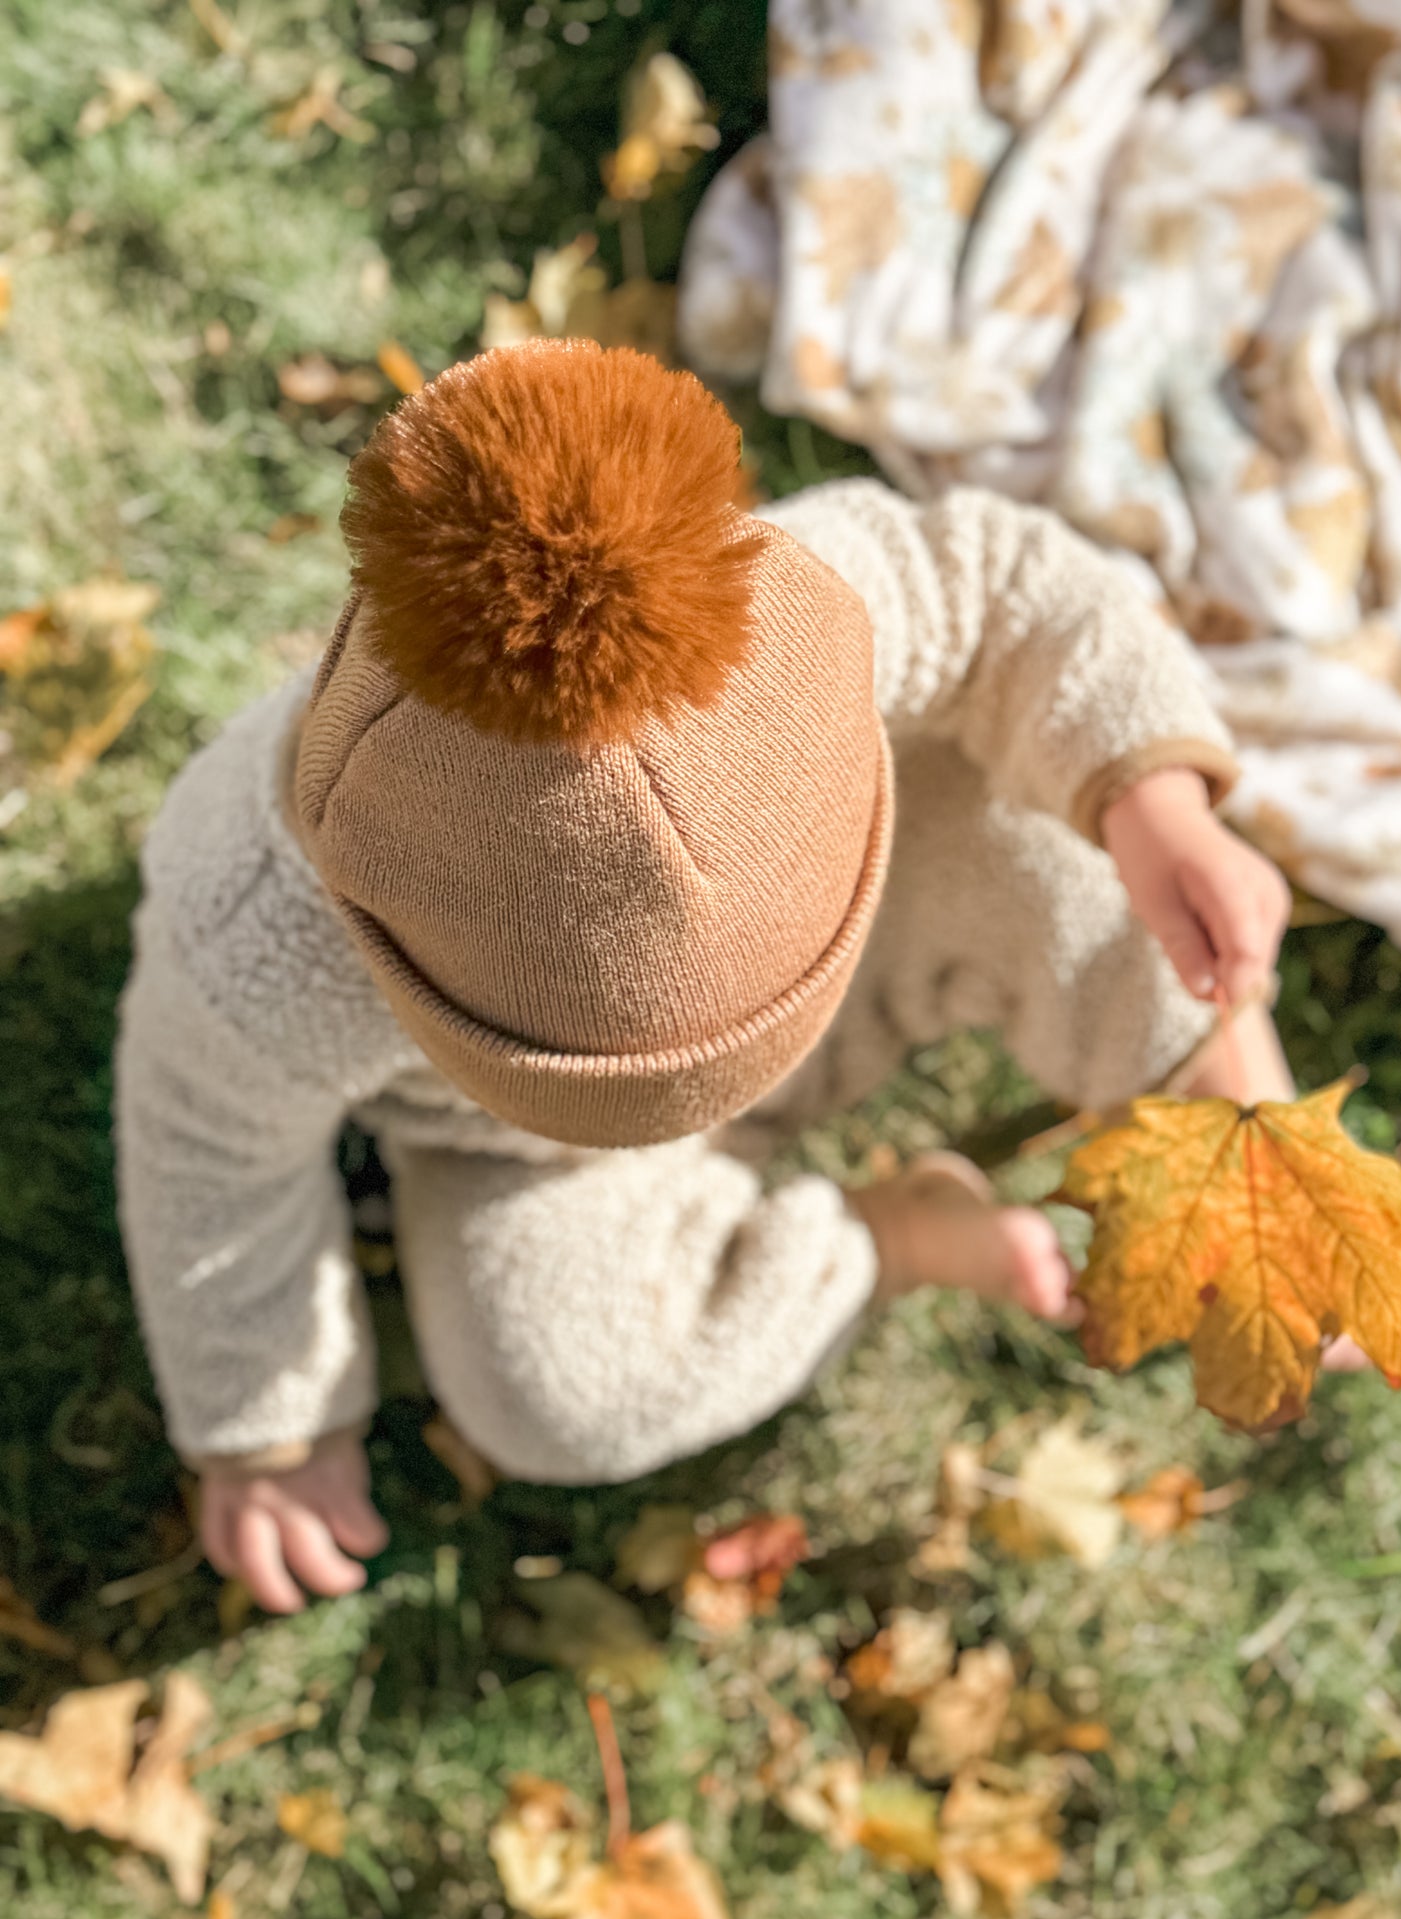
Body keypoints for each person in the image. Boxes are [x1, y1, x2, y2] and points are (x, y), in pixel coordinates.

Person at [115, 340, 1294, 1615]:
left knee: (1085, 864)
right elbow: (204, 1154)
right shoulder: (258, 931)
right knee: (558, 1392)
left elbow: (1010, 588)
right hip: (535, 1163)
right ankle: (892, 1233)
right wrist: (267, 1426)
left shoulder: (799, 609)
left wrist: (1152, 800)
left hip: (880, 920)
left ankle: (1247, 1126)